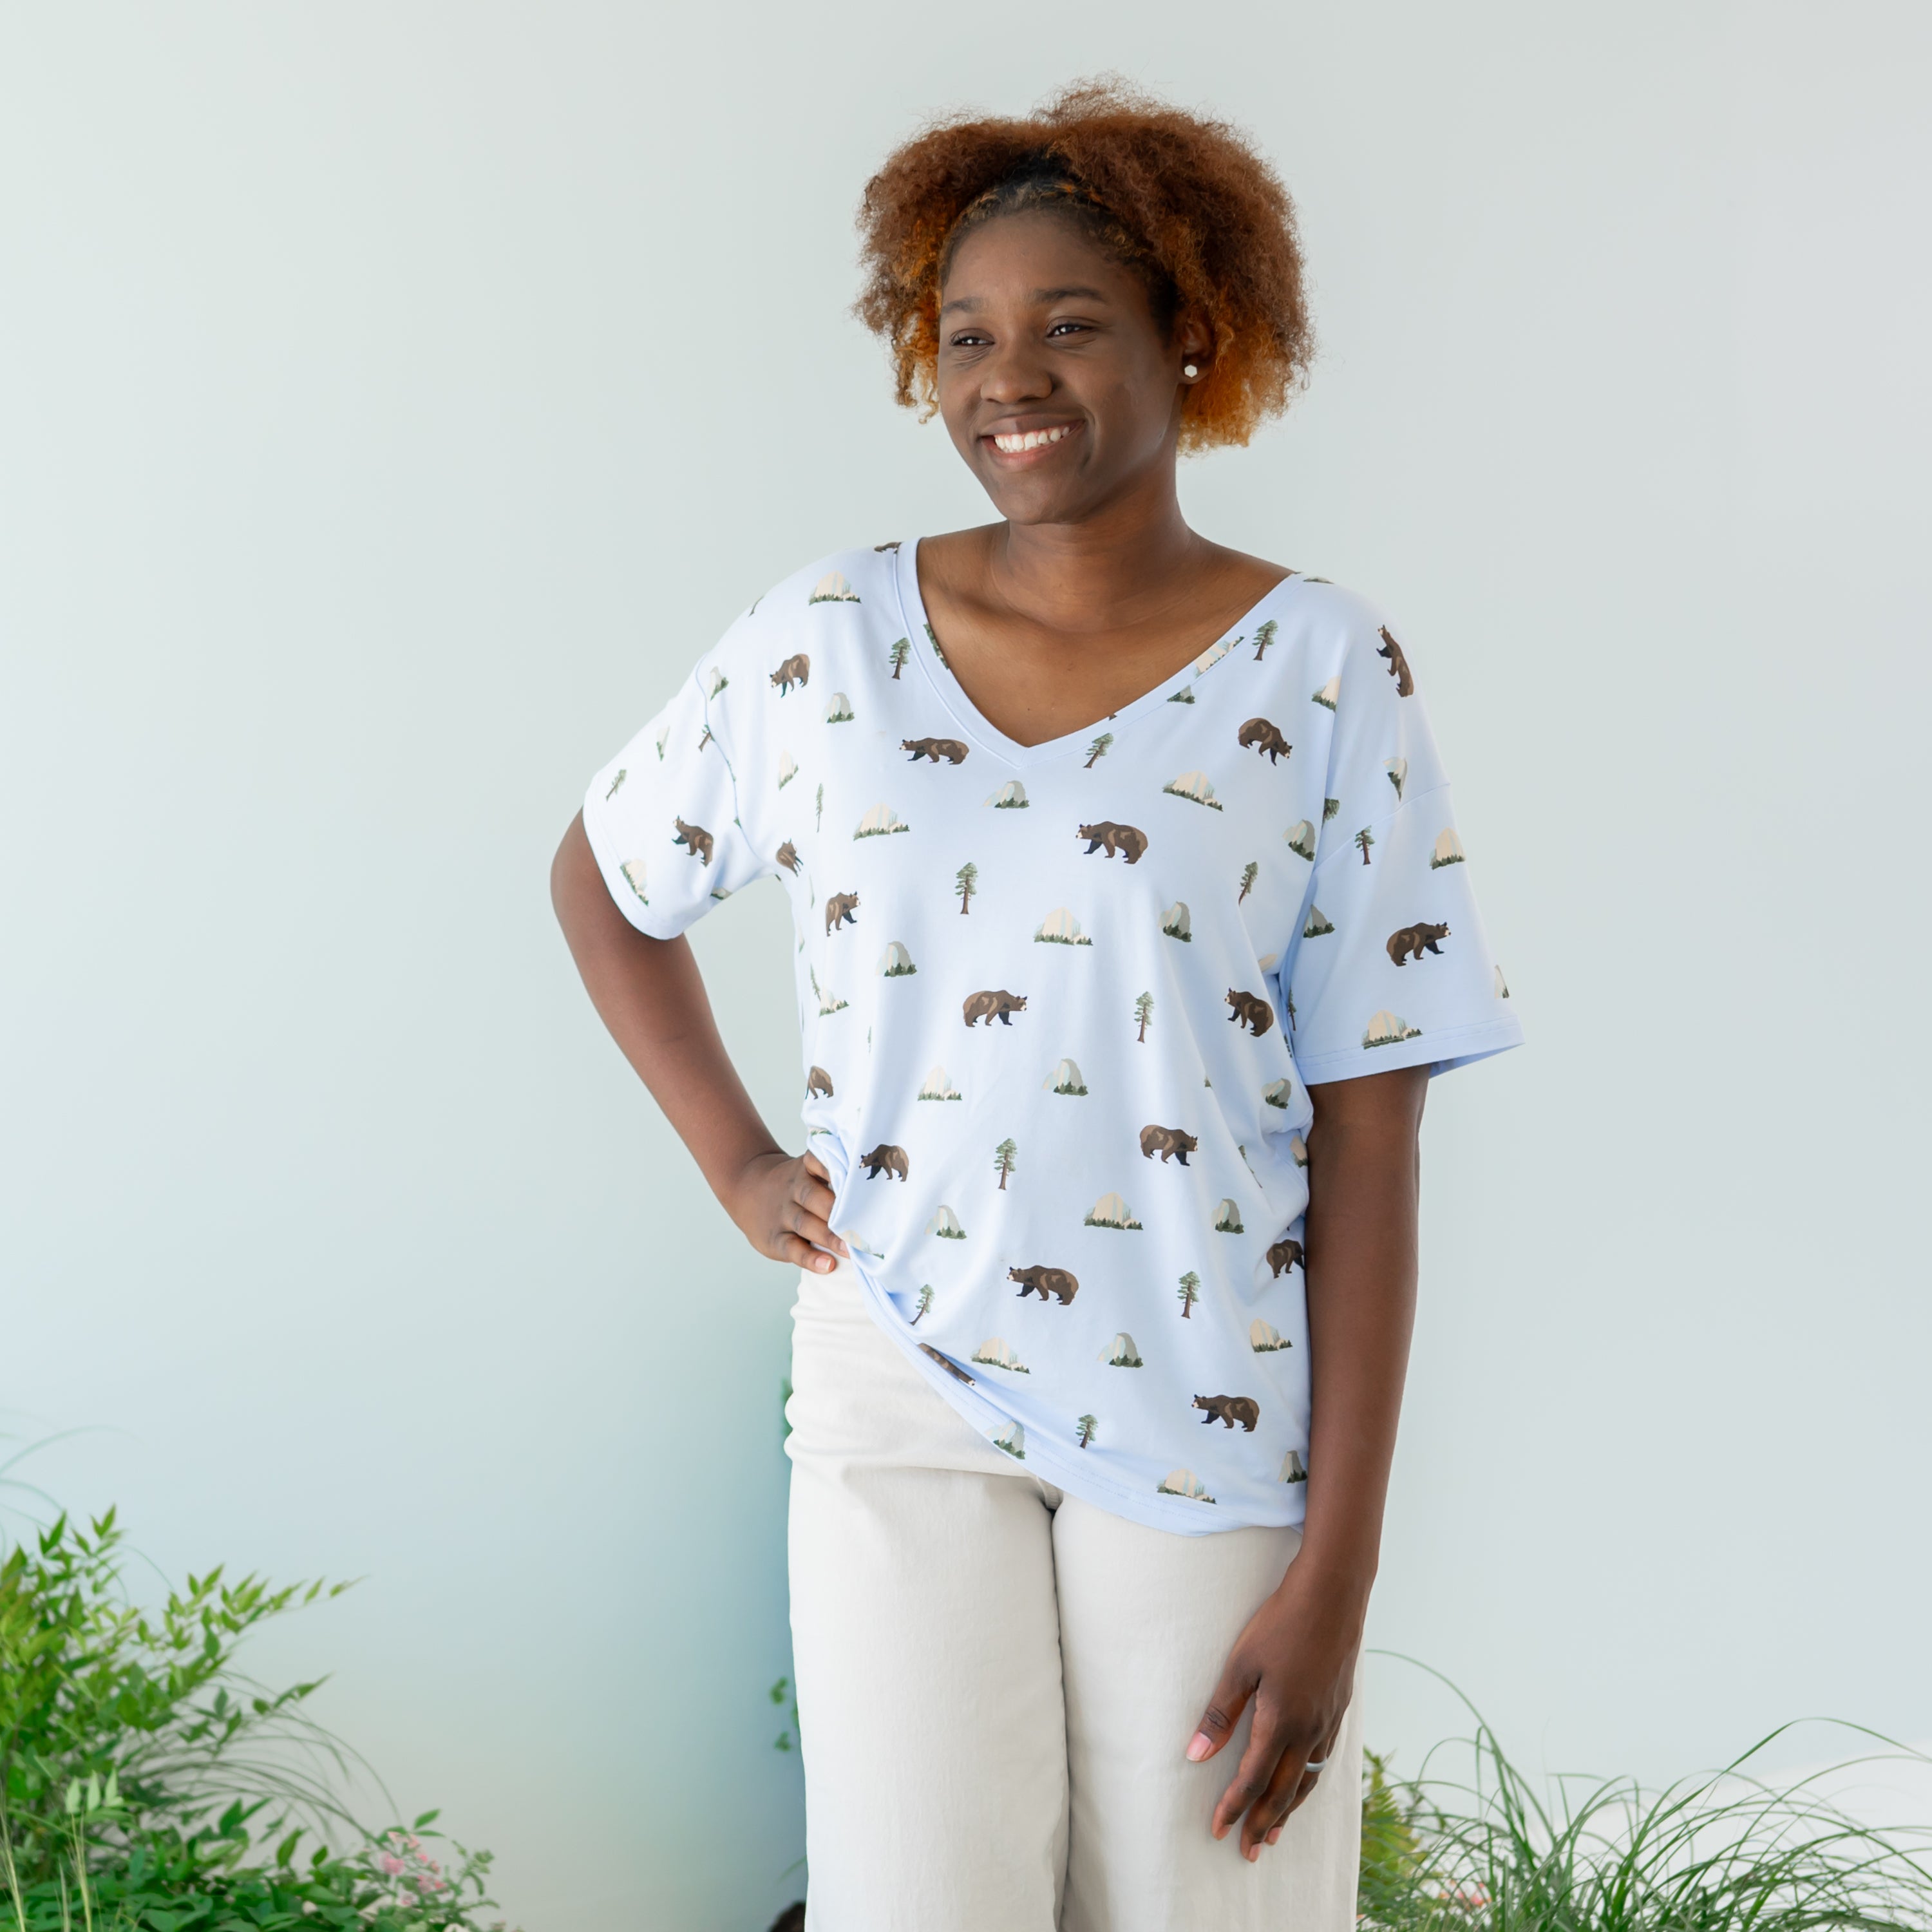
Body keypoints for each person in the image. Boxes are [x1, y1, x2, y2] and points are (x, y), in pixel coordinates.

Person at [551, 79, 1521, 1932]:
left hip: (1211, 1390)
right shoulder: (825, 641)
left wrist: (1341, 1576)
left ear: (1193, 335)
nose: (1013, 375)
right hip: (893, 1364)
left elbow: (1376, 1139)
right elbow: (605, 874)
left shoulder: (1323, 668)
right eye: (969, 334)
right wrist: (739, 1160)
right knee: (915, 1906)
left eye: (1072, 324)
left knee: (1208, 1902)